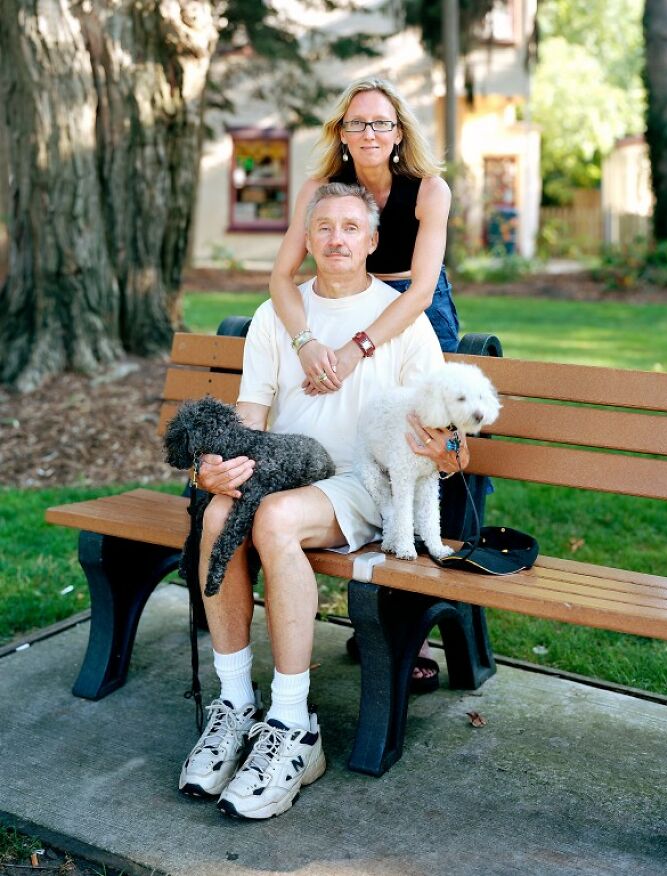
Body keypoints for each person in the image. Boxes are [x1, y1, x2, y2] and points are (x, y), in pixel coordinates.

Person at [179, 183, 470, 820]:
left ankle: (292, 726)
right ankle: (233, 707)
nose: (336, 239)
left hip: (363, 483)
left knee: (275, 518)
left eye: (350, 228)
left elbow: (446, 438)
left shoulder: (404, 319)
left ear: (370, 241)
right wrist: (218, 465)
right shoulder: (276, 317)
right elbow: (250, 412)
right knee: (223, 510)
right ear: (307, 240)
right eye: (324, 228)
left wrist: (446, 447)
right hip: (284, 471)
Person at [270, 77, 460, 686]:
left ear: (399, 132)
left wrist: (356, 349)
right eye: (357, 124)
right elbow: (281, 280)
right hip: (337, 307)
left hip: (411, 311)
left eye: (381, 123)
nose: (369, 134)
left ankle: (417, 630)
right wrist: (306, 342)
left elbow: (423, 292)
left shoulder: (429, 190)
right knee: (357, 450)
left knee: (423, 454)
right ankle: (362, 593)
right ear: (342, 134)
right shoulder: (319, 193)